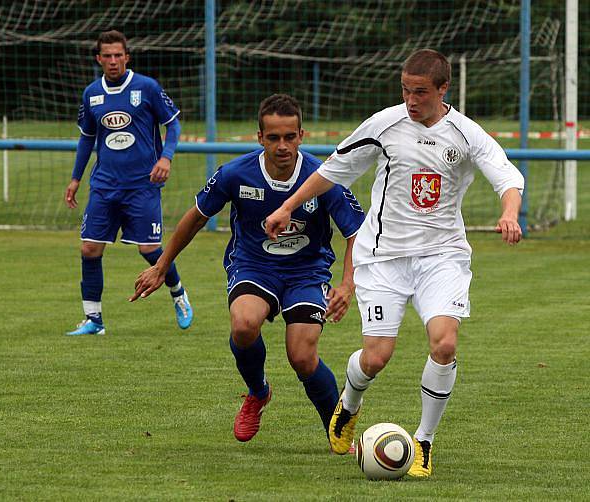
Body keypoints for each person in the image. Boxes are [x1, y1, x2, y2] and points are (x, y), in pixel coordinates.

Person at [265, 49, 524, 476]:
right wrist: (288, 206)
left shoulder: (466, 133)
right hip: (384, 258)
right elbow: (333, 171)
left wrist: (509, 213)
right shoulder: (384, 125)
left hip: (442, 257)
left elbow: (507, 177)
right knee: (376, 357)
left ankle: (423, 441)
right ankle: (348, 404)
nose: (411, 99)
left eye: (420, 91)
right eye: (405, 89)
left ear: (443, 89)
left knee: (444, 343)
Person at [130, 94, 365, 444]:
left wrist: (347, 286)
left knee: (301, 356)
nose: (282, 146)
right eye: (273, 138)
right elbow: (196, 217)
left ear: (302, 135)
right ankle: (258, 392)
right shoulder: (236, 173)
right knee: (243, 324)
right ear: (260, 138)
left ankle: (336, 427)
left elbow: (356, 233)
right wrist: (162, 265)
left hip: (307, 272)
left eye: (289, 137)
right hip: (254, 265)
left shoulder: (323, 177)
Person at [64, 30, 193, 335]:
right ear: (99, 59)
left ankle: (178, 294)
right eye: (106, 56)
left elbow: (172, 124)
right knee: (89, 250)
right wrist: (75, 179)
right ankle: (93, 320)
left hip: (142, 184)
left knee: (149, 250)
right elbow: (86, 140)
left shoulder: (146, 87)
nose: (112, 61)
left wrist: (167, 157)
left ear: (127, 57)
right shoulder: (91, 94)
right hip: (105, 185)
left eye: (118, 55)